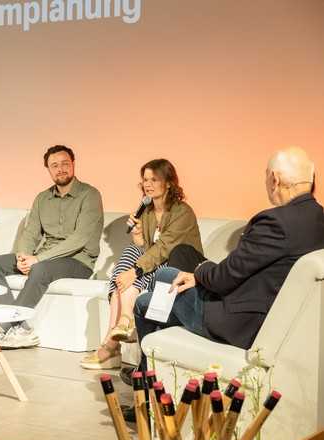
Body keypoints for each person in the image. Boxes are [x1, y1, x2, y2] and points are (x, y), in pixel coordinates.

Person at [133, 147, 324, 372]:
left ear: (275, 179)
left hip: (238, 322)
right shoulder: (318, 218)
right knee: (166, 277)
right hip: (271, 313)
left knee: (143, 303)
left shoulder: (275, 223)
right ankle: (155, 361)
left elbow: (223, 279)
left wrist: (200, 271)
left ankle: (145, 382)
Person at [80, 159, 202, 370]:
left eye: (154, 179)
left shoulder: (182, 212)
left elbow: (163, 248)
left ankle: (111, 346)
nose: (148, 184)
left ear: (169, 183)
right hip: (155, 264)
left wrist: (134, 272)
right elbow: (146, 249)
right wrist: (137, 235)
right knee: (129, 252)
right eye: (145, 180)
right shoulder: (146, 211)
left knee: (133, 272)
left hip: (178, 269)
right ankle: (124, 323)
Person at [0, 145, 104, 349]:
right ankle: (19, 326)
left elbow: (80, 239)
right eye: (54, 165)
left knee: (39, 269)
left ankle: (6, 326)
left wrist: (38, 260)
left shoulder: (90, 195)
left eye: (65, 164)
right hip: (43, 259)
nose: (60, 169)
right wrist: (23, 257)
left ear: (73, 164)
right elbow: (31, 232)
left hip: (78, 261)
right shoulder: (43, 198)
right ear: (48, 170)